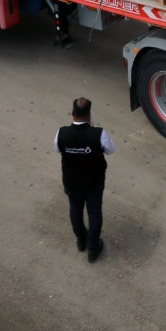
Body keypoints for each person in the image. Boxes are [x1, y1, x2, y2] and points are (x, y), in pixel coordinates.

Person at [54, 97, 115, 263]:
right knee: (94, 212)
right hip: (93, 182)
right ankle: (93, 248)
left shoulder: (62, 133)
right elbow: (110, 150)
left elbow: (56, 148)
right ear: (89, 115)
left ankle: (81, 240)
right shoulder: (98, 134)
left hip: (72, 181)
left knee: (75, 209)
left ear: (72, 114)